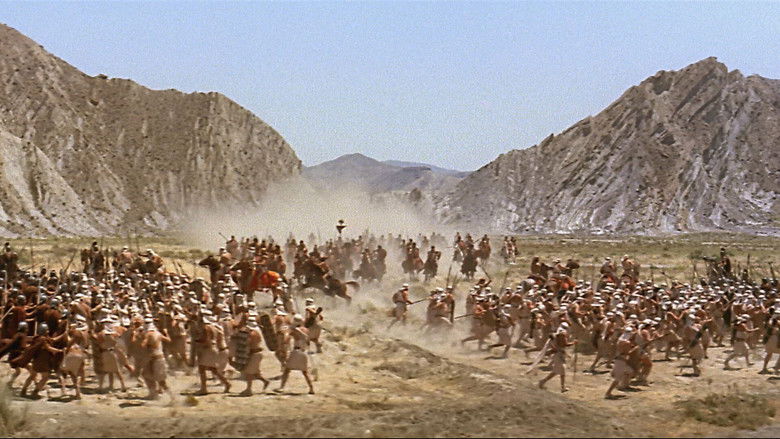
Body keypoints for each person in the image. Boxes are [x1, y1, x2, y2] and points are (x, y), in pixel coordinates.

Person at [277, 314, 315, 394]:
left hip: (296, 352)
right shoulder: (306, 330)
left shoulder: (294, 330)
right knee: (305, 372)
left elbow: (286, 340)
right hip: (304, 352)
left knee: (287, 370)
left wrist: (284, 334)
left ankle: (281, 388)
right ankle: (311, 388)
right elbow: (308, 342)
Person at [538, 322, 575, 393]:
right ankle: (562, 387)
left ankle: (543, 381)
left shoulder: (558, 334)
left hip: (559, 354)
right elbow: (563, 344)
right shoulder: (561, 334)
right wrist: (573, 343)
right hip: (559, 354)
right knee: (562, 370)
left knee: (556, 372)